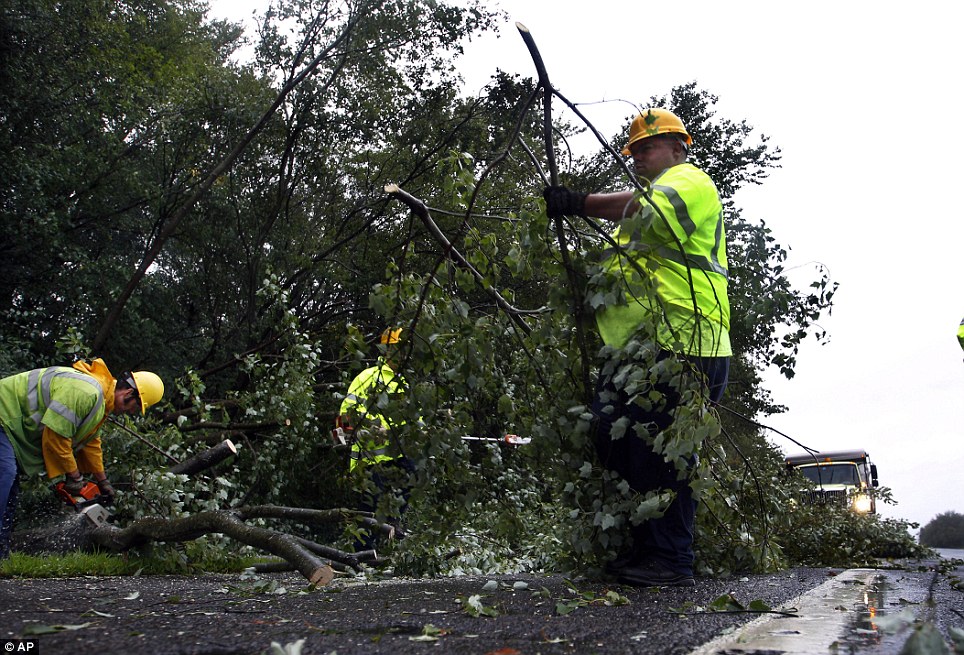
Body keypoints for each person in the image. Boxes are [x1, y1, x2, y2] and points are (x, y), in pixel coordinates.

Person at [544, 107, 730, 587]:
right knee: (615, 440)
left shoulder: (692, 183)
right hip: (639, 352)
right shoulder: (645, 200)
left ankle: (671, 560)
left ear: (677, 147)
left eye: (648, 147)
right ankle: (647, 550)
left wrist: (579, 201)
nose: (639, 156)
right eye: (635, 150)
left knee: (668, 453)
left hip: (687, 341)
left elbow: (650, 211)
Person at [0, 357, 164, 558]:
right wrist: (75, 477)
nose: (131, 413)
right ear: (129, 393)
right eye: (135, 408)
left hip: (11, 427)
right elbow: (56, 436)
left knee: (8, 495)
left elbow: (91, 444)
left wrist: (102, 481)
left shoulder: (100, 402)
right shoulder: (87, 392)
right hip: (4, 415)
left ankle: (2, 557)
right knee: (4, 478)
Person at [338, 328, 416, 549]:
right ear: (387, 349)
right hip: (368, 458)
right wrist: (373, 426)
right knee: (369, 509)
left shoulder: (403, 383)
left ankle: (392, 528)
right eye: (397, 349)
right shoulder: (368, 377)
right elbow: (346, 413)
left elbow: (414, 418)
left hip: (395, 456)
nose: (401, 355)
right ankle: (361, 557)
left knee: (413, 475)